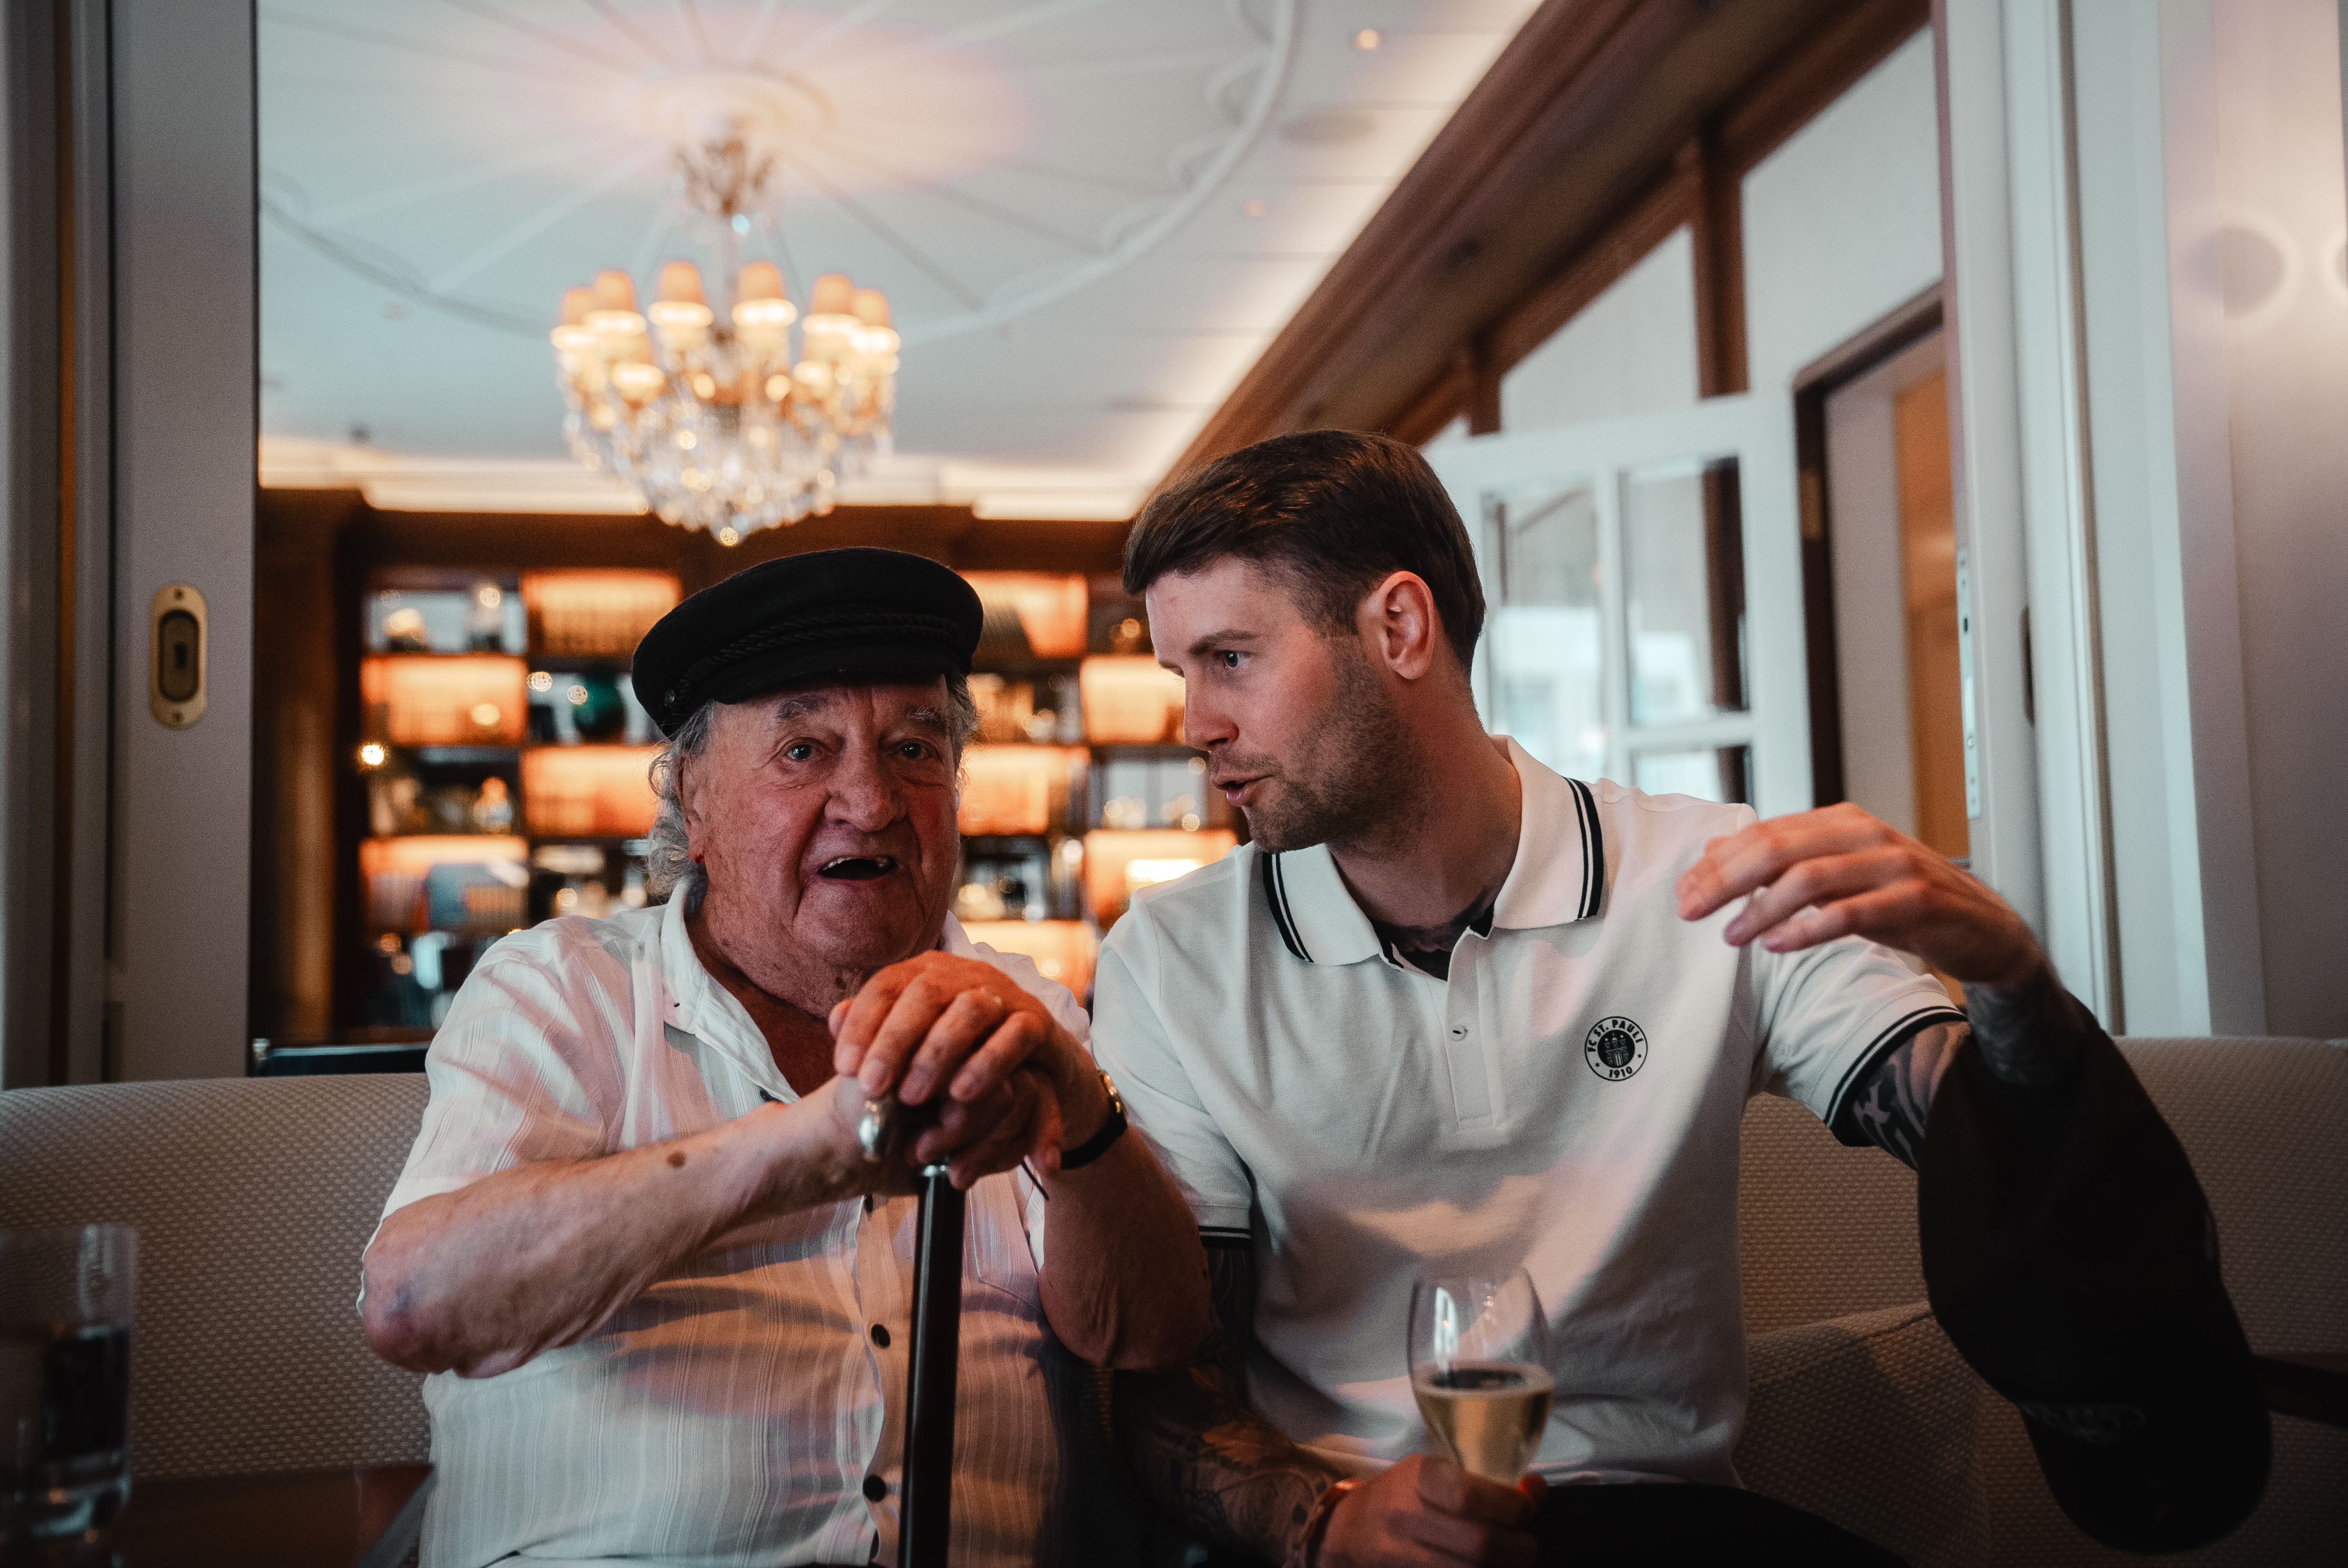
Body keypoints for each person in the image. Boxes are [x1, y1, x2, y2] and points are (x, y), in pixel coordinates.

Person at [1097, 432, 2265, 1566]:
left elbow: (1993, 1156)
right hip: (1348, 1532)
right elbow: (1161, 1378)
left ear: (1398, 626)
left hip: (1654, 1526)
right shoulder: (1172, 959)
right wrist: (1322, 1529)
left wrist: (2009, 981)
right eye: (1179, 673)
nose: (1194, 723)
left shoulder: (1714, 878)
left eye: (1229, 660)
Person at [361, 548, 1208, 1568]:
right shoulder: (562, 991)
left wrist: (1080, 1108)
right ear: (694, 799)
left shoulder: (1020, 1006)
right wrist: (806, 1148)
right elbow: (415, 1307)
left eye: (915, 747)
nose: (873, 800)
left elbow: (1151, 1335)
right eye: (803, 751)